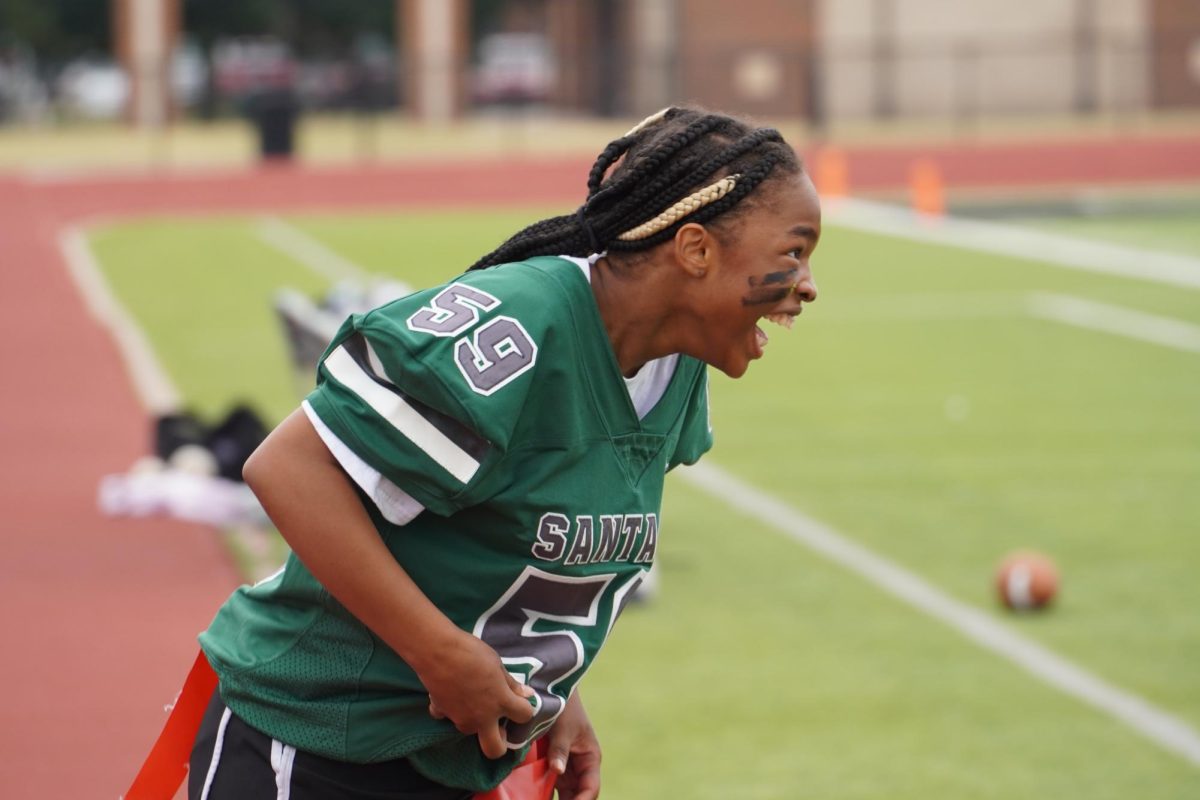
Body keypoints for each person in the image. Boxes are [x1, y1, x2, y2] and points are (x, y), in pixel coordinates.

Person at [188, 105, 821, 800]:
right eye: (793, 253)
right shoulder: (519, 328)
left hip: (442, 754)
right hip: (317, 739)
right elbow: (287, 469)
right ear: (696, 250)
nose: (807, 284)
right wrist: (440, 654)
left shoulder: (674, 361)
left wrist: (552, 693)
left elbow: (524, 547)